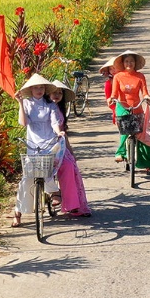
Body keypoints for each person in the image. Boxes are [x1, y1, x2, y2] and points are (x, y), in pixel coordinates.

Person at [15, 73, 64, 227]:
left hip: (48, 142)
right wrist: (20, 103)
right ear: (31, 89)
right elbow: (24, 123)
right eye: (36, 87)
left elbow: (55, 122)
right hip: (32, 144)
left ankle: (55, 192)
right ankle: (18, 211)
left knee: (47, 171)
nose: (39, 90)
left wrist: (58, 132)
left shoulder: (50, 105)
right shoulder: (28, 104)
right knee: (27, 179)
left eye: (41, 87)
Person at [105, 50, 150, 175]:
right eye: (126, 61)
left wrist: (147, 97)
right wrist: (111, 98)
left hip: (137, 107)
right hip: (122, 107)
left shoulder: (140, 76)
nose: (129, 63)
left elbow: (144, 92)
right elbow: (114, 93)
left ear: (135, 63)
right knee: (124, 131)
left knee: (145, 136)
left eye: (131, 61)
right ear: (123, 63)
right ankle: (120, 153)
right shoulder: (118, 77)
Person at [48, 80, 92, 217]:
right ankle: (54, 193)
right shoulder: (44, 108)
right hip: (44, 147)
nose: (57, 95)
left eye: (60, 93)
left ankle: (73, 205)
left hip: (59, 147)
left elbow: (63, 133)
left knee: (69, 166)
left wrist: (70, 151)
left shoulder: (60, 111)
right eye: (54, 92)